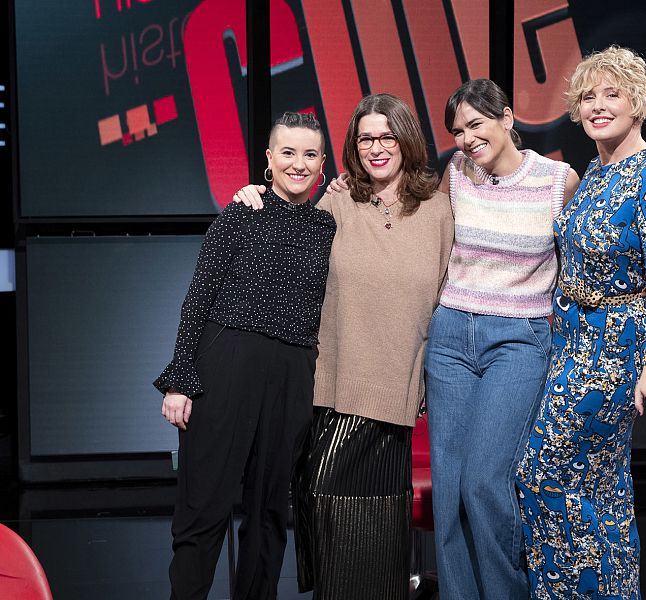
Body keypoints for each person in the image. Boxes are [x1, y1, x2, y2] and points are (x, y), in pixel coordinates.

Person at [324, 80, 579, 599]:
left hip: (518, 339)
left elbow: (581, 267)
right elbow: (419, 236)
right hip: (451, 338)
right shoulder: (456, 177)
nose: (465, 138)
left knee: (484, 482)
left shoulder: (560, 180)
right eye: (457, 131)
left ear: (508, 118)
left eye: (476, 125)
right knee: (449, 493)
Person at [233, 94, 454, 599]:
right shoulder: (337, 202)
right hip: (332, 392)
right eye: (365, 138)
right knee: (327, 511)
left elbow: (448, 293)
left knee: (378, 531)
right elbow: (282, 234)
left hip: (395, 395)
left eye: (386, 135)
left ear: (406, 138)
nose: (376, 148)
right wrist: (254, 197)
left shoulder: (442, 207)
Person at [514, 46, 646, 599]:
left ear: (639, 103)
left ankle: (572, 590)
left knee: (540, 474)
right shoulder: (595, 169)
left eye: (612, 94)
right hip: (573, 342)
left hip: (613, 352)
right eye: (588, 96)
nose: (597, 106)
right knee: (603, 489)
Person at [155, 111, 335, 599]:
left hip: (293, 373)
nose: (299, 164)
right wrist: (179, 379)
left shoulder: (328, 227)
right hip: (226, 364)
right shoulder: (241, 214)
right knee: (203, 506)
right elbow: (198, 297)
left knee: (271, 511)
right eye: (288, 152)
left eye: (310, 154)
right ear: (270, 159)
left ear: (323, 163)